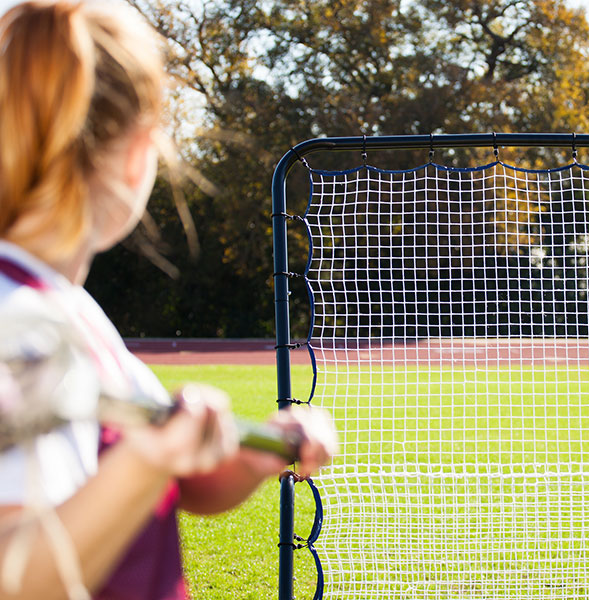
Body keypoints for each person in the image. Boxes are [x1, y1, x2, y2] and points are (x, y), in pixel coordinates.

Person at [0, 2, 337, 599]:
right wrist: (147, 462)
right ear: (137, 157)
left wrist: (257, 455)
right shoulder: (19, 322)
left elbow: (182, 483)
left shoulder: (65, 313)